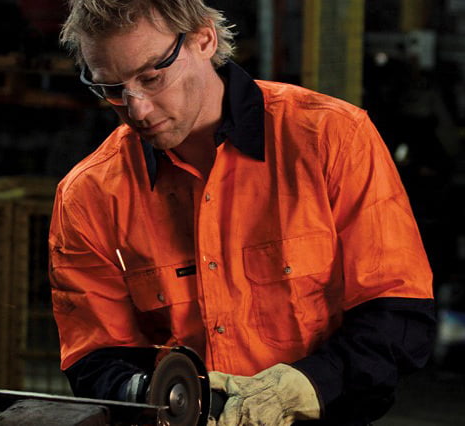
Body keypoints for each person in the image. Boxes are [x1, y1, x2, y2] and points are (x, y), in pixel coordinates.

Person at [48, 1, 436, 424]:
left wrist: (307, 386)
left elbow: (398, 314)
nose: (136, 109)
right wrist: (154, 393)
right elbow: (96, 357)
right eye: (112, 89)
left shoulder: (332, 139)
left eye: (152, 77)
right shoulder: (87, 196)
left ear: (203, 39)